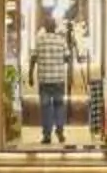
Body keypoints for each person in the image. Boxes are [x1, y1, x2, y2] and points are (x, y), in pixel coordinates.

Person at [29, 11, 77, 148]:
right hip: (58, 79)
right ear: (55, 27)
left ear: (45, 26)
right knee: (59, 105)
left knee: (45, 107)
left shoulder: (39, 40)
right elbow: (68, 58)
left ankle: (47, 135)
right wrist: (70, 73)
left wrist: (30, 75)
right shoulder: (61, 40)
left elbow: (33, 58)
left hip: (44, 79)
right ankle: (60, 131)